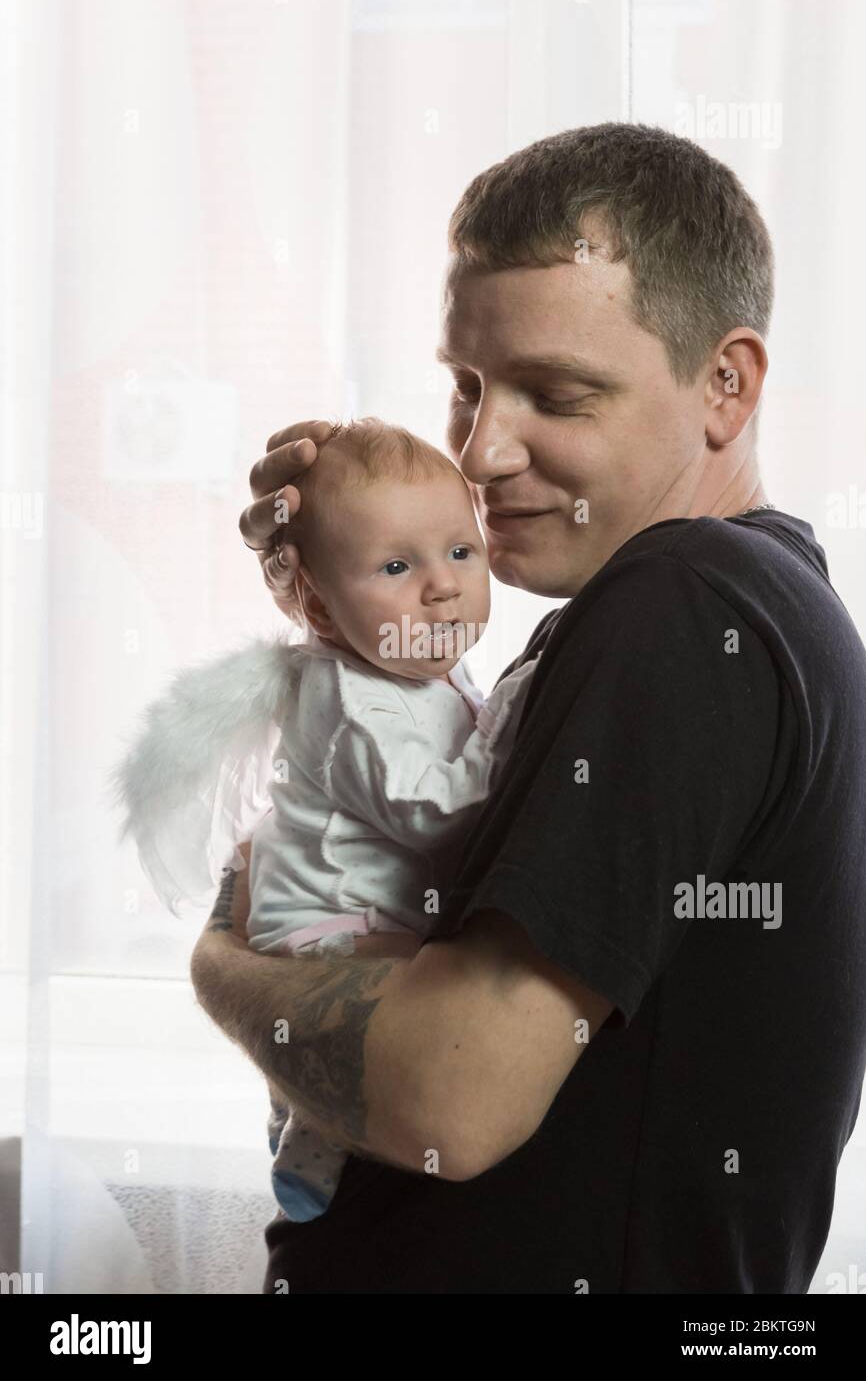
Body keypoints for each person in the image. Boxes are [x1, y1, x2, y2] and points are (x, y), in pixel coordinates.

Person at [191, 122, 866, 1293]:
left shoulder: (684, 599)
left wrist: (212, 962)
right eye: (464, 384)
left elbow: (451, 1090)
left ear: (725, 383)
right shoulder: (732, 610)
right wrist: (334, 593)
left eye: (554, 393)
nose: (481, 446)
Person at [112, 418, 536, 1227]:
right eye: (396, 565)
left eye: (460, 551)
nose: (443, 585)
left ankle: (305, 1129)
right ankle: (308, 1140)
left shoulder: (416, 663)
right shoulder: (350, 700)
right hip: (328, 925)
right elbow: (439, 812)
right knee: (397, 999)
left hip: (349, 909)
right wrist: (516, 707)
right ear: (320, 606)